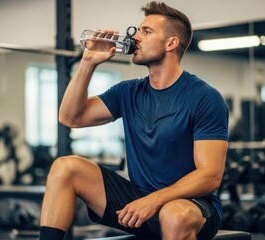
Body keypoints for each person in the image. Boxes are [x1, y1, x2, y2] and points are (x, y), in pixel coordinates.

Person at [39, 1, 229, 240]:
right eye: (138, 30)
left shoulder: (204, 97)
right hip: (138, 201)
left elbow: (210, 175)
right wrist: (87, 62)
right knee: (65, 167)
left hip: (191, 207)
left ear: (171, 43)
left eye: (146, 31)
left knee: (174, 215)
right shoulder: (128, 92)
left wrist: (154, 200)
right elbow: (70, 117)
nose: (136, 37)